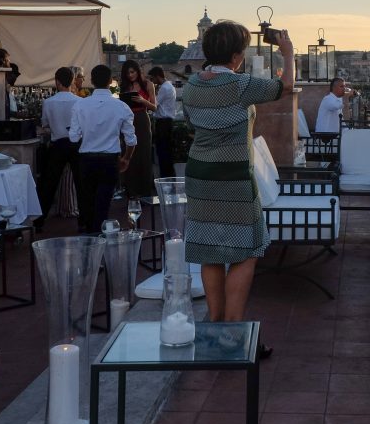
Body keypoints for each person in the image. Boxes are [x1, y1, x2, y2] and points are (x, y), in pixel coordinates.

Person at [181, 20, 293, 355]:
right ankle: (233, 332)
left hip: (200, 176)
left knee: (209, 249)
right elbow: (284, 87)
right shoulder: (240, 85)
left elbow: (192, 123)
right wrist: (287, 52)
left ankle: (214, 327)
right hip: (233, 177)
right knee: (247, 250)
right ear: (235, 55)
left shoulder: (190, 85)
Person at [69, 65, 136, 233]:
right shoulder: (121, 107)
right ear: (110, 81)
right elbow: (131, 140)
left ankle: (91, 237)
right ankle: (98, 238)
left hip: (86, 159)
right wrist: (126, 158)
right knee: (103, 203)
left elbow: (73, 137)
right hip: (109, 160)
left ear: (91, 81)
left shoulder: (80, 105)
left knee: (88, 201)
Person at [35, 67, 81, 231]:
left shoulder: (48, 102)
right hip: (76, 144)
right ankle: (84, 222)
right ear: (72, 81)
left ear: (57, 82)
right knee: (81, 183)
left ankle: (39, 221)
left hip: (58, 144)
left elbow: (45, 124)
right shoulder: (79, 101)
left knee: (48, 184)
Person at [119, 60, 157, 202]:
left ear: (138, 71)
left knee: (144, 154)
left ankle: (145, 191)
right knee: (129, 153)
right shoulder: (124, 86)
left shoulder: (148, 84)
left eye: (132, 72)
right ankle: (131, 191)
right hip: (127, 120)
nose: (130, 75)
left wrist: (142, 101)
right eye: (127, 73)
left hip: (142, 118)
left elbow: (154, 107)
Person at [148, 66, 177, 178]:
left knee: (163, 152)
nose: (152, 81)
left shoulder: (164, 88)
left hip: (163, 123)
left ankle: (165, 176)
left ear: (158, 76)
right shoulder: (169, 86)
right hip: (167, 122)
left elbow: (154, 104)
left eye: (153, 78)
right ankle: (168, 176)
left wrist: (151, 91)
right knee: (166, 151)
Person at [0, 47, 21, 118]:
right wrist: (16, 114)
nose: (9, 62)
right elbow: (0, 109)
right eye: (8, 60)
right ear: (2, 61)